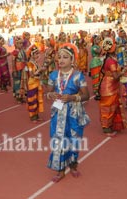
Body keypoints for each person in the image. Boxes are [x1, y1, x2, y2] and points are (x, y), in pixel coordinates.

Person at [46, 43, 90, 182]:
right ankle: (59, 169)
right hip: (58, 113)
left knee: (74, 139)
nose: (61, 60)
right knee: (58, 139)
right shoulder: (53, 75)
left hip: (73, 112)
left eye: (65, 57)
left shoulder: (78, 76)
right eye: (59, 57)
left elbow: (86, 95)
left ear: (72, 60)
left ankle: (73, 165)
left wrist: (72, 97)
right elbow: (49, 91)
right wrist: (51, 95)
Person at [98, 37, 127, 136]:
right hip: (109, 87)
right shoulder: (111, 61)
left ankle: (110, 125)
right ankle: (106, 127)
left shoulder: (110, 59)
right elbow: (115, 76)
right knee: (108, 107)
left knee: (113, 106)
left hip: (111, 85)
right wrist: (123, 72)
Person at [26, 45, 44, 122]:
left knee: (37, 99)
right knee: (32, 100)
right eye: (36, 54)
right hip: (32, 84)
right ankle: (32, 116)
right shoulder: (30, 63)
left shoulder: (35, 62)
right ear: (32, 54)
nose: (37, 55)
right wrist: (39, 70)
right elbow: (31, 75)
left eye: (38, 53)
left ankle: (36, 115)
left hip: (37, 82)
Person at [90, 35, 103, 100]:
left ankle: (99, 90)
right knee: (96, 78)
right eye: (97, 39)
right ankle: (96, 91)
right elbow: (98, 51)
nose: (99, 40)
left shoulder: (97, 46)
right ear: (94, 41)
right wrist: (102, 46)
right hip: (95, 63)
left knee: (100, 77)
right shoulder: (94, 47)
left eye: (99, 39)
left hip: (99, 62)